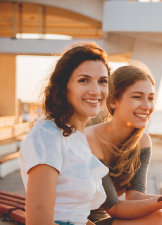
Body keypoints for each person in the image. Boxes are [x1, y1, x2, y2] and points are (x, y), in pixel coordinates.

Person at [86, 65, 162, 225]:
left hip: (103, 220)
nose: (147, 106)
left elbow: (135, 196)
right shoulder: (91, 139)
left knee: (159, 217)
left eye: (151, 98)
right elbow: (115, 207)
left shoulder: (142, 141)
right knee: (160, 219)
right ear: (114, 100)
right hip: (74, 221)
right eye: (137, 97)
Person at [19, 43, 111, 225]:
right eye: (84, 80)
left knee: (157, 219)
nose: (96, 90)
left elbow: (77, 214)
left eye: (102, 81)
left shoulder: (74, 136)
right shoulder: (47, 136)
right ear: (63, 87)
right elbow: (39, 222)